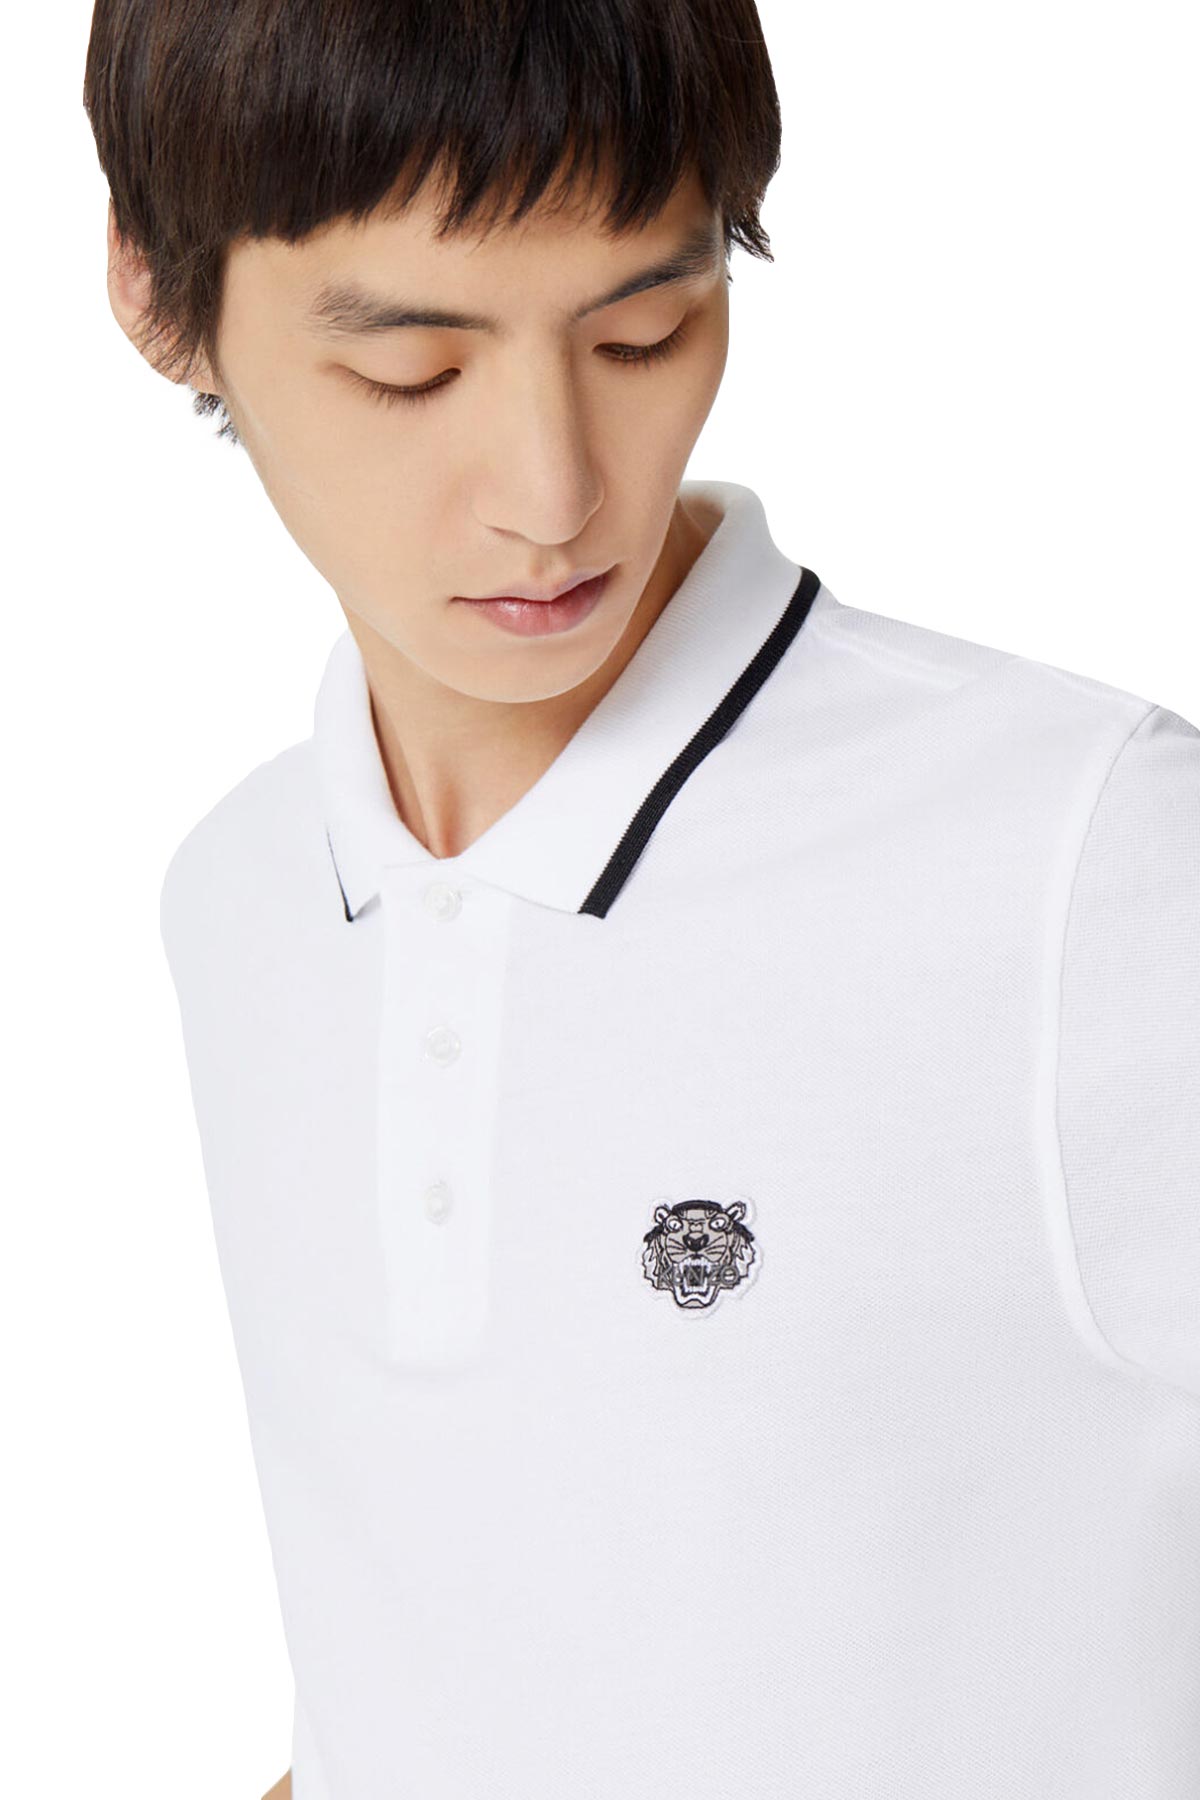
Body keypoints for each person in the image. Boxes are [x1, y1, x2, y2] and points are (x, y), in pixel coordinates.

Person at [83, 4, 1200, 1799]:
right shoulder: (241, 897)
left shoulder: (1092, 858)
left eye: (643, 333)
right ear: (154, 292)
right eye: (411, 370)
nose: (555, 493)